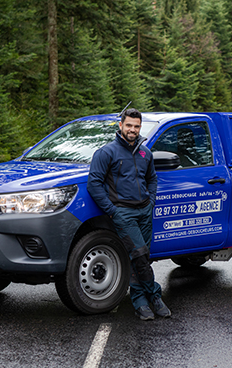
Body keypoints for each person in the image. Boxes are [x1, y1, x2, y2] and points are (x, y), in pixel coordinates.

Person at [87, 108, 171, 320]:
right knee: (140, 257)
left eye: (136, 126)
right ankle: (154, 295)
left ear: (140, 127)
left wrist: (151, 201)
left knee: (141, 258)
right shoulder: (106, 153)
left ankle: (140, 302)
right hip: (123, 213)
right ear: (121, 126)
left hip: (144, 211)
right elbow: (94, 184)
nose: (133, 129)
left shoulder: (146, 153)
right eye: (129, 125)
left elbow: (152, 179)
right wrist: (113, 211)